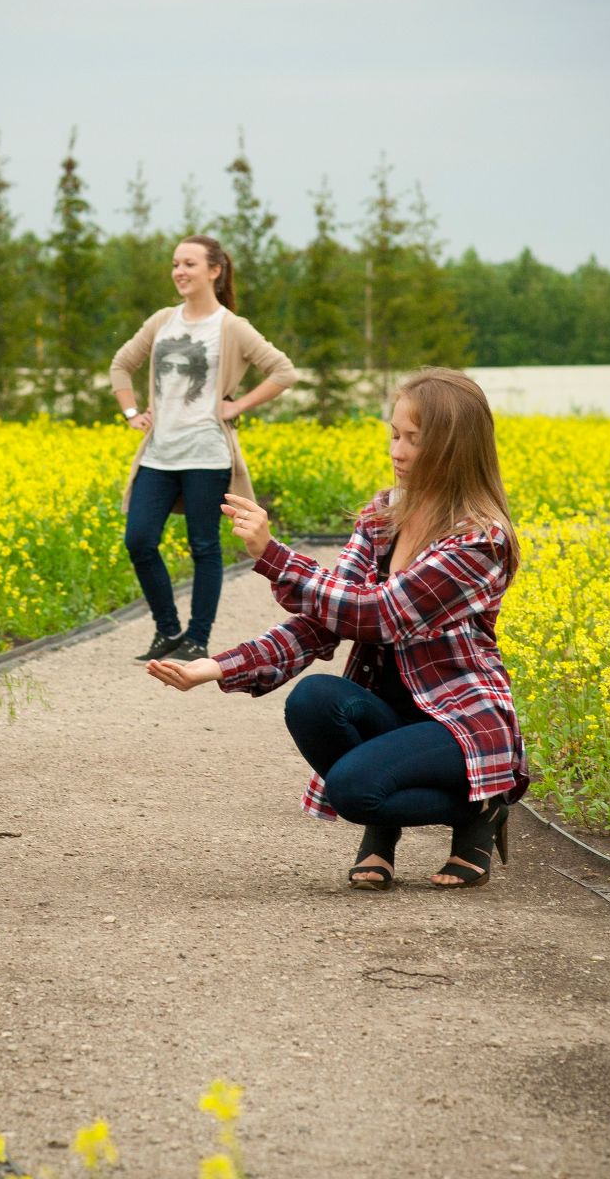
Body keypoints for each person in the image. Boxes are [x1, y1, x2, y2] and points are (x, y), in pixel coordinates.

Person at [147, 368, 529, 890]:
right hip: (388, 714)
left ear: (453, 448)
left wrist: (274, 556)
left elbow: (378, 613)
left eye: (414, 440)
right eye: (394, 434)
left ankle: (480, 810)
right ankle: (392, 819)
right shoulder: (382, 515)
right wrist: (214, 667)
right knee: (313, 700)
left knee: (353, 790)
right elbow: (322, 622)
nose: (397, 451)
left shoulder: (480, 540)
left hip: (459, 722)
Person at [110, 234, 297, 664]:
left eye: (189, 264)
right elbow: (121, 364)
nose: (179, 271)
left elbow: (283, 371)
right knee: (139, 540)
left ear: (214, 271)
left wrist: (237, 405)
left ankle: (197, 638)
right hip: (158, 454)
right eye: (175, 264)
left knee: (204, 546)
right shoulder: (162, 321)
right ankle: (167, 629)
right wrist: (132, 412)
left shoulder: (231, 327)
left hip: (208, 455)